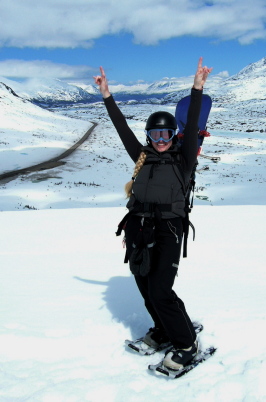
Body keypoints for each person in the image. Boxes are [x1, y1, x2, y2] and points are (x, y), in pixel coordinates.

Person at [93, 58, 212, 370]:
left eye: (166, 135)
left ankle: (186, 344)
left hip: (170, 231)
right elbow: (121, 128)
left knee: (160, 289)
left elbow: (195, 119)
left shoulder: (183, 160)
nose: (161, 141)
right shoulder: (141, 157)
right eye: (155, 136)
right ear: (148, 137)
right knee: (145, 286)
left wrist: (197, 88)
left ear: (175, 135)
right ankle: (164, 329)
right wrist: (107, 95)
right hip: (139, 229)